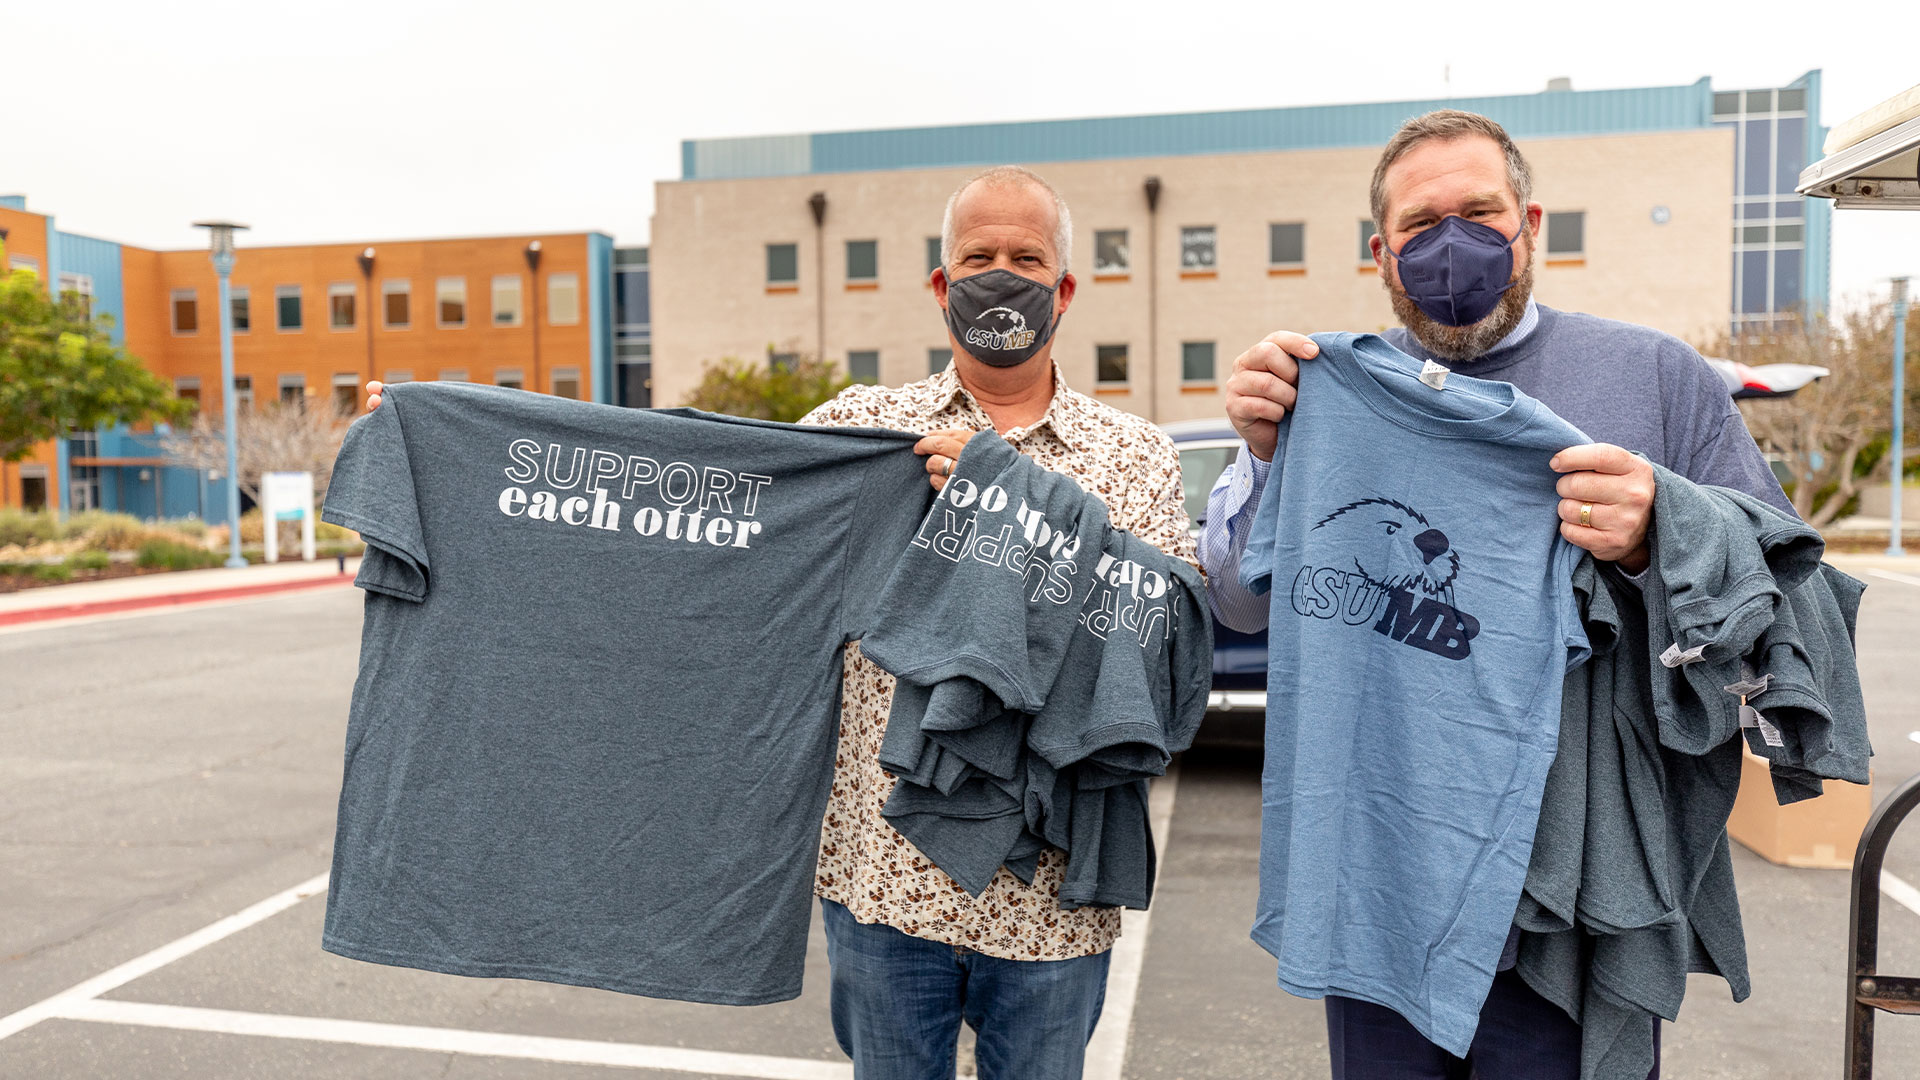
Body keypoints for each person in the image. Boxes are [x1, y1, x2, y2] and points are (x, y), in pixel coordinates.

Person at [365, 165, 1193, 1080]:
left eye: (1027, 257)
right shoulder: (861, 431)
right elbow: (709, 517)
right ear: (941, 285)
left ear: (1065, 288)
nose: (1002, 274)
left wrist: (1007, 505)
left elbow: (1156, 643)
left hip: (1052, 890)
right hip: (883, 883)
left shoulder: (1136, 456)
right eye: (978, 257)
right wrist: (442, 447)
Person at [1198, 110, 1790, 1079]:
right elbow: (1236, 603)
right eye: (1422, 225)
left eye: (1480, 211)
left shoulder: (1658, 379)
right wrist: (1265, 462)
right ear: (1380, 253)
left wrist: (1658, 535)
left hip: (1570, 892)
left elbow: (1775, 597)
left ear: (1531, 223)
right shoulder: (1323, 396)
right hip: (1381, 878)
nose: (1453, 243)